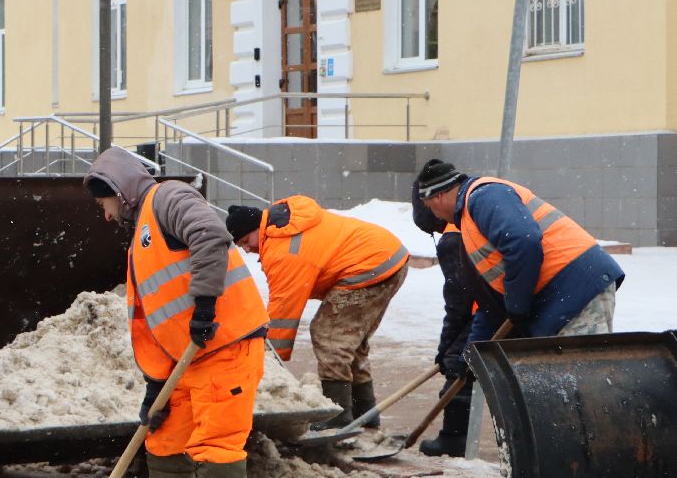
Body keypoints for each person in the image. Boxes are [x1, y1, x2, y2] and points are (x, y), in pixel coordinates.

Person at [85, 148, 269, 478]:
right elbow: (157, 317)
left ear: (117, 189)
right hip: (186, 358)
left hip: (224, 344)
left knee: (217, 444)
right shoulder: (141, 236)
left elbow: (210, 233)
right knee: (165, 436)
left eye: (104, 205)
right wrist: (156, 383)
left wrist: (206, 305)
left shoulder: (167, 198)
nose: (106, 216)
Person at [226, 197, 409, 431]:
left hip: (369, 266)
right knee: (350, 340)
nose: (247, 249)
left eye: (246, 241)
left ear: (257, 229)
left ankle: (339, 413)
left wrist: (267, 363)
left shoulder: (282, 249)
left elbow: (283, 310)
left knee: (329, 335)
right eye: (241, 246)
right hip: (387, 258)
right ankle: (365, 413)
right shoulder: (285, 227)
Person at [416, 158, 623, 345]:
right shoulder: (469, 222)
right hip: (560, 295)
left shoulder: (484, 195)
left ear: (438, 197)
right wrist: (472, 354)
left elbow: (524, 241)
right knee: (562, 378)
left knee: (582, 376)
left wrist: (517, 304)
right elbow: (492, 302)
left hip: (576, 285)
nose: (438, 217)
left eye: (429, 208)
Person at [411, 191, 479, 456]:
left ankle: (455, 438)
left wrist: (446, 348)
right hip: (500, 303)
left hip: (486, 309)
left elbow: (458, 301)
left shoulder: (452, 239)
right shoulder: (466, 221)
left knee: (458, 362)